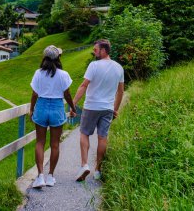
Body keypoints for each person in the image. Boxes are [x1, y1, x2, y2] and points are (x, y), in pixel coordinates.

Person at [71, 39, 124, 181]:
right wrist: (115, 110)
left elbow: (83, 85)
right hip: (107, 108)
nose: (94, 52)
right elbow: (121, 92)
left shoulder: (93, 65)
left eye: (96, 50)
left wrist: (73, 104)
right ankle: (97, 171)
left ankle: (84, 165)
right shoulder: (119, 68)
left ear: (104, 50)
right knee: (102, 137)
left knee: (84, 134)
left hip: (91, 106)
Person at [30, 45, 76, 188]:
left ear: (44, 57)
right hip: (56, 107)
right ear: (58, 58)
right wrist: (73, 108)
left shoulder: (38, 73)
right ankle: (50, 176)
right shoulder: (63, 74)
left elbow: (34, 94)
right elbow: (67, 94)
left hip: (42, 107)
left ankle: (40, 177)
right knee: (55, 144)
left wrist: (32, 109)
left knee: (40, 142)